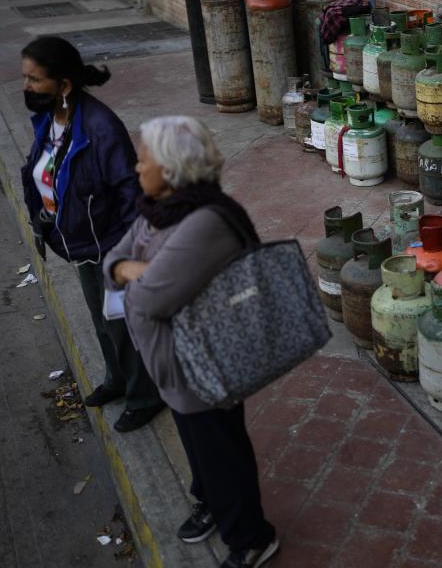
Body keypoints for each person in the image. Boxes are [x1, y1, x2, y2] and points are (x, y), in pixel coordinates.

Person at [103, 116, 279, 568]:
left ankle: (251, 537)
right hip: (175, 362)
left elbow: (148, 301)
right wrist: (132, 271)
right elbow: (115, 258)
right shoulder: (160, 208)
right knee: (200, 445)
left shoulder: (204, 223)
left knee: (221, 450)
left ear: (172, 166)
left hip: (206, 361)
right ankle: (211, 501)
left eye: (143, 160)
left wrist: (133, 275)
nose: (135, 168)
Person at [20, 36, 164, 432]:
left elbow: (129, 193)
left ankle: (145, 397)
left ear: (64, 84)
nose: (27, 87)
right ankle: (116, 381)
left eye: (34, 79)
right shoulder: (52, 117)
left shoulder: (101, 127)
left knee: (122, 325)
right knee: (102, 322)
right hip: (79, 243)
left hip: (110, 245)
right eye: (25, 78)